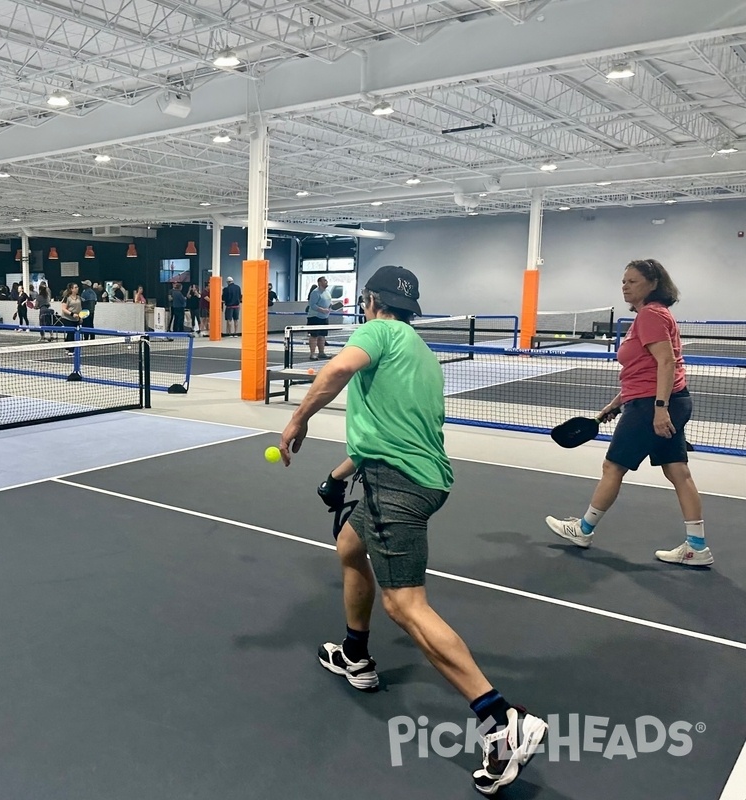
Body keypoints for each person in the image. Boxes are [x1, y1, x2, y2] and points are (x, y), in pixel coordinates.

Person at [279, 265, 546, 796]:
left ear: (370, 300)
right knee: (351, 549)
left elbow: (333, 373)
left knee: (405, 605)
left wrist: (299, 419)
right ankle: (356, 655)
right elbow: (386, 432)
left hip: (396, 485)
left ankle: (501, 718)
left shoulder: (375, 332)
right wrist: (337, 479)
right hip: (418, 478)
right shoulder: (420, 353)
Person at [546, 259, 711, 566]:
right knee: (678, 472)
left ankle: (582, 530)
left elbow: (666, 363)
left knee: (613, 468)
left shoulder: (650, 315)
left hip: (654, 406)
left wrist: (659, 410)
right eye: (624, 281)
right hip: (662, 401)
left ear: (653, 284)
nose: (625, 286)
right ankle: (697, 547)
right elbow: (644, 371)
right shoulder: (654, 315)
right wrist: (616, 403)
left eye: (632, 281)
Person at [306, 276, 332, 360]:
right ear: (320, 282)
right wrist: (322, 310)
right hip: (315, 317)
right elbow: (312, 305)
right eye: (324, 280)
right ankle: (312, 354)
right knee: (314, 336)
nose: (326, 281)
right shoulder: (315, 292)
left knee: (322, 336)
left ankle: (321, 353)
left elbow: (328, 302)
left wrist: (331, 307)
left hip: (324, 317)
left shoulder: (327, 292)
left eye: (326, 280)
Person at [57, 283, 83, 349]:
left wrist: (80, 317)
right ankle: (70, 349)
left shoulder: (79, 297)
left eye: (77, 287)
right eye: (75, 287)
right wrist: (72, 314)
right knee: (71, 333)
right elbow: (63, 309)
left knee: (74, 334)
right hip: (67, 318)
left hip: (76, 319)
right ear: (71, 289)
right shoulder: (67, 298)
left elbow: (80, 308)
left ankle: (70, 347)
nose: (77, 288)